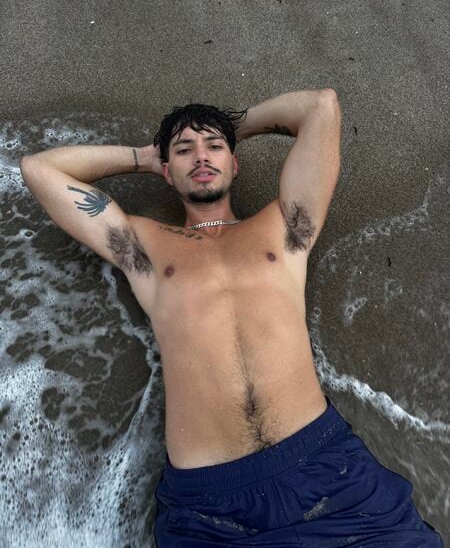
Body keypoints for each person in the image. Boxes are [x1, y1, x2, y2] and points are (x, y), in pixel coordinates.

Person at [20, 90, 443, 546]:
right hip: (211, 511)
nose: (201, 156)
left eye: (214, 147)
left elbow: (320, 107)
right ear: (167, 170)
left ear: (234, 163)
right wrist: (146, 156)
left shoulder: (285, 227)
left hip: (330, 474)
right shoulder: (143, 246)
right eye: (184, 150)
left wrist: (226, 128)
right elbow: (40, 170)